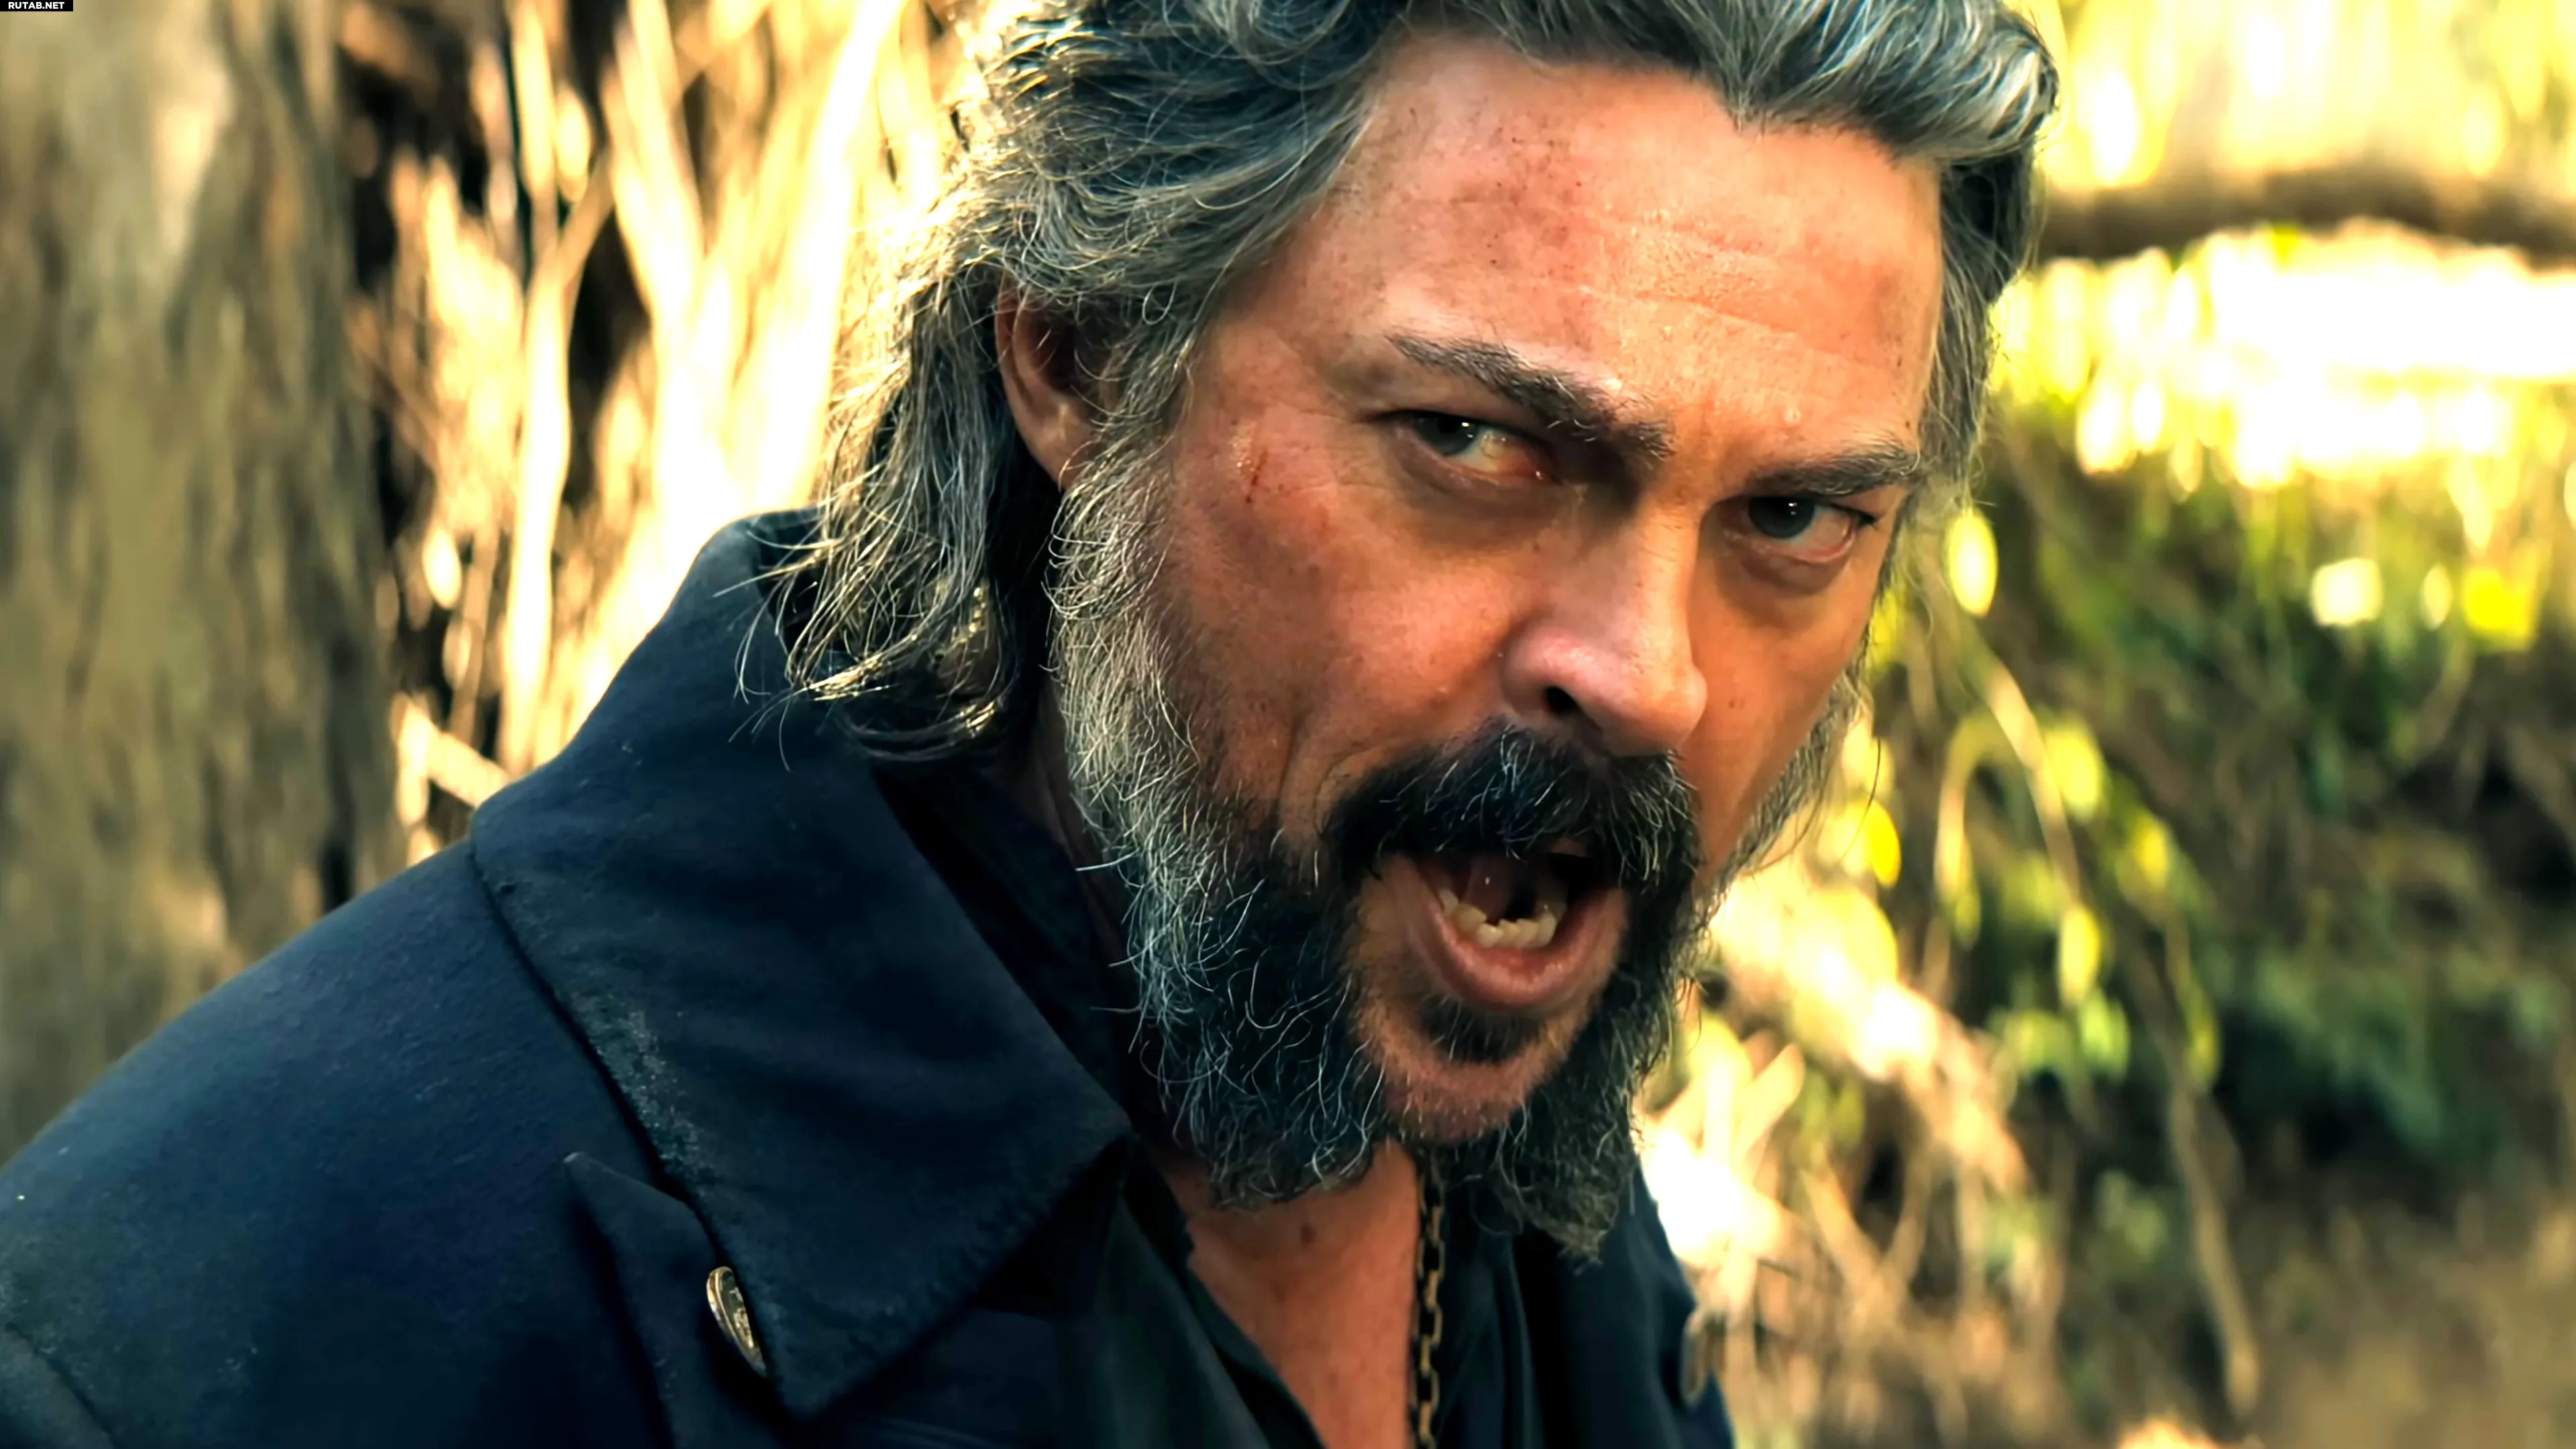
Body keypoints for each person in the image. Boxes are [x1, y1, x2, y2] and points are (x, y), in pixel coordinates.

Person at [0, 1, 2053, 1444]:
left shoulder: (1520, 1202)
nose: (1652, 673)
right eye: (1476, 443)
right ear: (1076, 353)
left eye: (1793, 520)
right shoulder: (230, 1336)